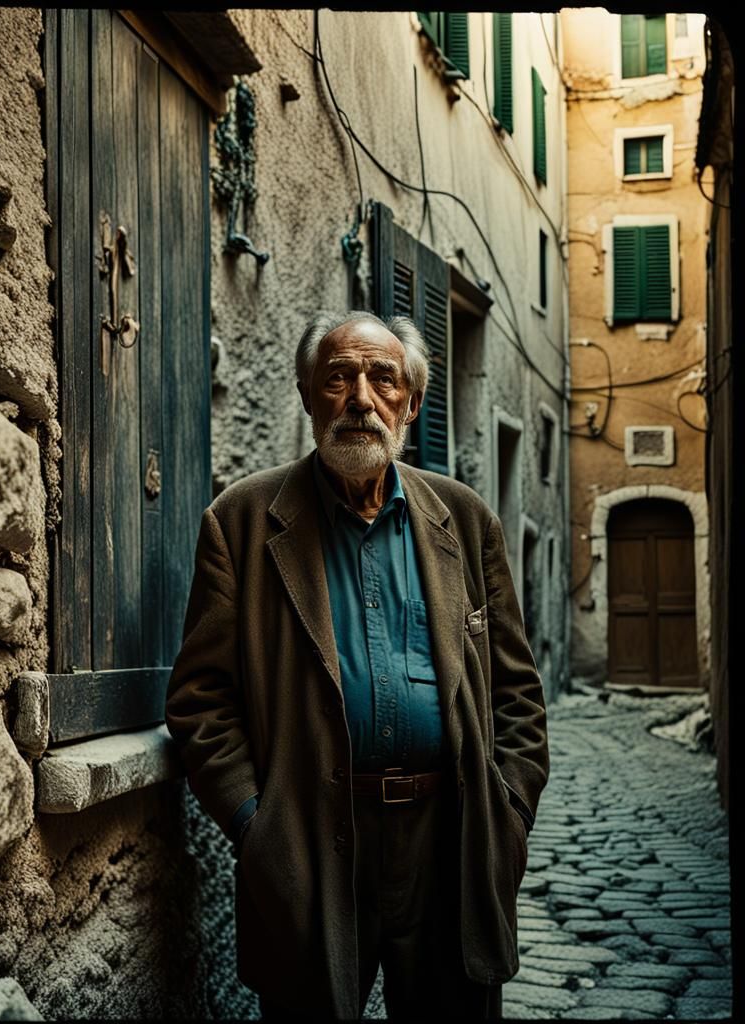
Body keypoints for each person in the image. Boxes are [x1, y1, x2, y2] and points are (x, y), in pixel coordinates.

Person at [165, 310, 549, 1020]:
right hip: (310, 842)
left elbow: (517, 695)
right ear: (309, 396)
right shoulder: (242, 523)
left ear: (412, 401)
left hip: (449, 838)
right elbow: (199, 702)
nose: (361, 400)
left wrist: (510, 812)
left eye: (383, 380)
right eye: (338, 378)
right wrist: (259, 825)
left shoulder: (466, 522)